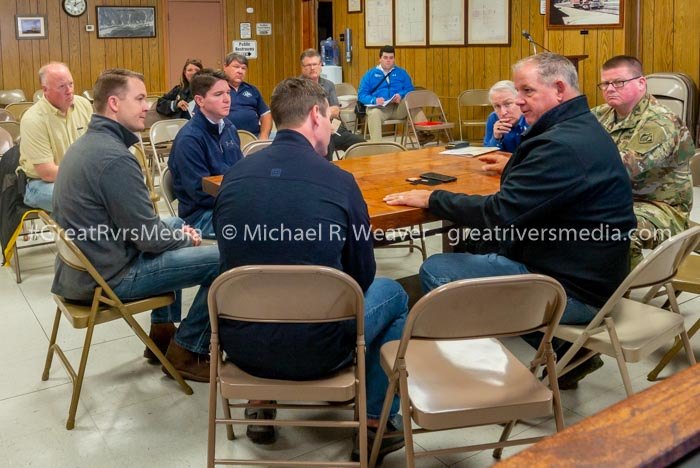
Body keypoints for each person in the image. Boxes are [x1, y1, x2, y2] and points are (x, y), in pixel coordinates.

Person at [384, 53, 637, 388]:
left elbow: (500, 213)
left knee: (438, 269)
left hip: (575, 291)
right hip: (596, 273)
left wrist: (433, 198)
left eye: (527, 91)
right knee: (476, 244)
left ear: (559, 88)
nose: (518, 100)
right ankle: (565, 353)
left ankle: (478, 372)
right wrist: (517, 165)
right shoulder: (583, 127)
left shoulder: (561, 144)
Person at [213, 78, 408, 461]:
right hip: (323, 349)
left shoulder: (233, 178)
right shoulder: (339, 181)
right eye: (329, 119)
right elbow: (362, 275)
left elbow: (229, 258)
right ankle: (372, 424)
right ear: (317, 115)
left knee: (261, 279)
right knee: (397, 294)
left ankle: (260, 399)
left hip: (242, 347)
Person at [51, 69, 219, 382]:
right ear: (114, 103)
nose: (147, 106)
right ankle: (187, 350)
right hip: (107, 280)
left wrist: (176, 231)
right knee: (225, 259)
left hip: (81, 270)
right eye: (140, 99)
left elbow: (142, 230)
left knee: (175, 221)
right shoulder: (113, 158)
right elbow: (149, 240)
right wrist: (183, 239)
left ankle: (162, 333)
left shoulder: (89, 143)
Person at [592, 55, 694, 268]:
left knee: (613, 228)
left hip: (660, 207)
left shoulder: (660, 121)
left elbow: (621, 170)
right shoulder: (601, 114)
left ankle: (621, 290)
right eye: (605, 83)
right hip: (614, 199)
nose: (610, 89)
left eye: (618, 82)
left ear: (641, 83)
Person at [168, 69, 243, 238]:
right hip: (200, 217)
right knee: (260, 225)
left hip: (229, 204)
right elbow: (200, 194)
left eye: (228, 93)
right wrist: (242, 199)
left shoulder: (228, 127)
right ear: (199, 100)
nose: (226, 99)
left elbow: (240, 171)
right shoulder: (189, 139)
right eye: (218, 94)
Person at [18, 62, 93, 212]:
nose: (69, 91)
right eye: (62, 86)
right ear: (45, 90)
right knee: (83, 202)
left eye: (71, 84)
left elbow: (96, 147)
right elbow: (47, 173)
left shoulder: (83, 105)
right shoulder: (33, 119)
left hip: (79, 178)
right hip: (40, 184)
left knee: (116, 193)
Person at [299, 48, 365, 160]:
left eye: (315, 64)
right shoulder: (296, 86)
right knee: (327, 146)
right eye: (308, 65)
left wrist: (325, 122)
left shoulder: (329, 85)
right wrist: (323, 120)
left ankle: (342, 166)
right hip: (310, 131)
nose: (312, 68)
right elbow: (300, 114)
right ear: (302, 68)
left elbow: (335, 110)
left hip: (333, 127)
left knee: (361, 145)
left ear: (321, 65)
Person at [357, 45, 414, 142]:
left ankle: (424, 133)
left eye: (391, 58)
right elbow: (361, 95)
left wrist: (401, 94)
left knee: (412, 99)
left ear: (394, 59)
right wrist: (374, 100)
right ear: (380, 59)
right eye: (385, 58)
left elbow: (410, 89)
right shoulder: (370, 75)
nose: (388, 60)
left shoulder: (401, 72)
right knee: (374, 113)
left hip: (398, 107)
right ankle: (378, 147)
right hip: (380, 109)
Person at [223, 53, 272, 139]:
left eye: (243, 68)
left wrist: (263, 136)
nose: (240, 71)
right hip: (224, 139)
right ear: (225, 67)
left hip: (253, 138)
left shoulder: (252, 90)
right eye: (236, 67)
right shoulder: (217, 89)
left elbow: (266, 115)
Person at [483, 80, 528, 152]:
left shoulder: (531, 118)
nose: (503, 112)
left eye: (508, 104)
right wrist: (496, 138)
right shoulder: (493, 118)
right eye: (497, 106)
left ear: (519, 101)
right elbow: (487, 155)